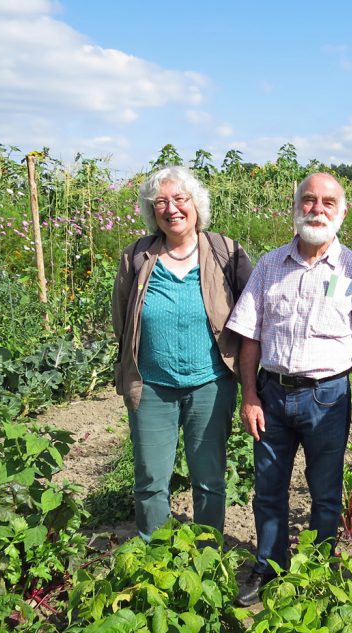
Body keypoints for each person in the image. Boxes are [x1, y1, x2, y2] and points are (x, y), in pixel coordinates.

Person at [226, 172, 352, 607]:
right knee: (269, 489)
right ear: (295, 207)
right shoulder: (269, 266)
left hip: (328, 398)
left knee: (325, 492)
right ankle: (270, 567)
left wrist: (329, 374)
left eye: (328, 202)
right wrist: (251, 396)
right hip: (271, 396)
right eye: (309, 200)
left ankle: (315, 571)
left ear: (343, 212)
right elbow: (250, 336)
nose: (317, 209)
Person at [112, 166, 252, 542]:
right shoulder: (137, 258)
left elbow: (250, 315)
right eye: (160, 202)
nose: (171, 209)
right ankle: (153, 558)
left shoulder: (225, 251)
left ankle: (207, 557)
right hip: (152, 387)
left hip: (210, 385)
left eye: (179, 199)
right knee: (150, 481)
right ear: (151, 211)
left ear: (195, 205)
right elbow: (122, 320)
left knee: (209, 479)